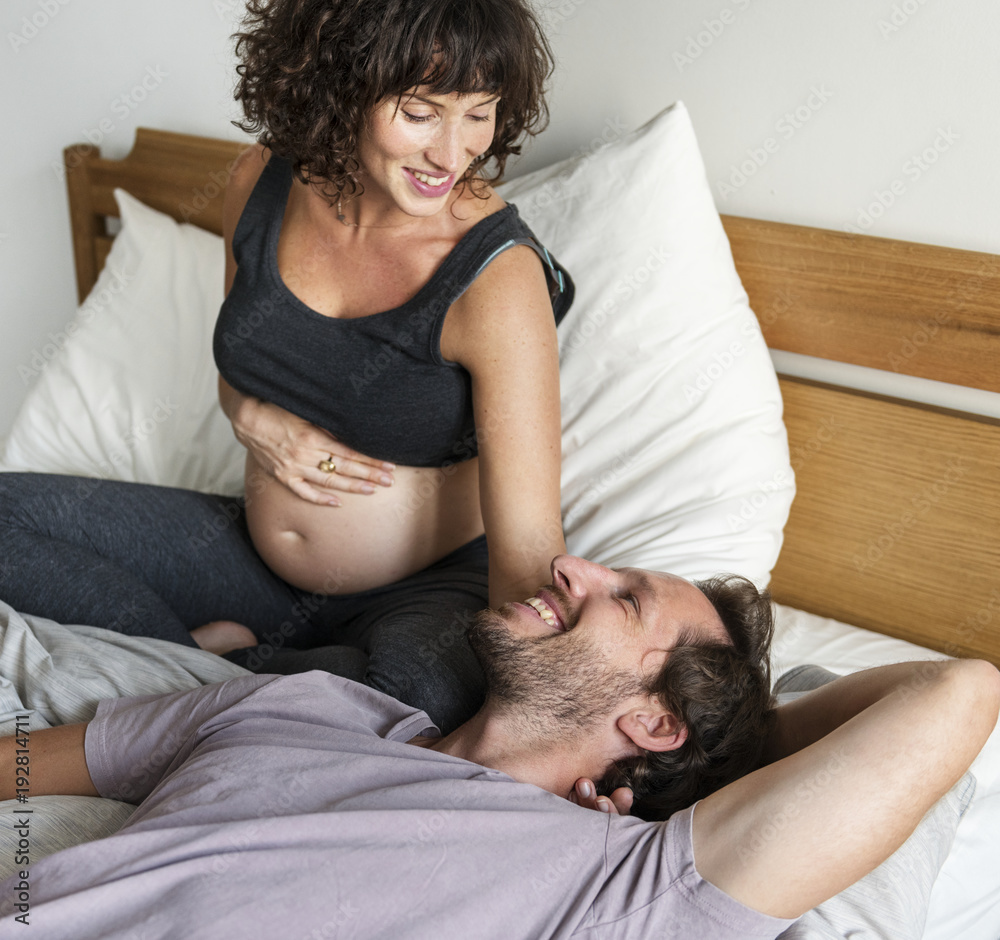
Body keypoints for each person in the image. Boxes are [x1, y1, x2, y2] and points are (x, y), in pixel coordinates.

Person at [0, 0, 573, 734]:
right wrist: (251, 417)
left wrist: (534, 723)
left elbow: (529, 554)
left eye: (480, 112)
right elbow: (241, 359)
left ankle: (208, 674)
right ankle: (214, 668)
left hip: (428, 594)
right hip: (251, 565)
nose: (451, 153)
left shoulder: (495, 277)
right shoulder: (261, 184)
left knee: (413, 703)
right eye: (422, 111)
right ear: (341, 84)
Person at [1, 555, 996, 938]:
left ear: (654, 722)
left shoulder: (619, 887)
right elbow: (17, 768)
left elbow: (959, 690)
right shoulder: (298, 703)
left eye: (624, 599)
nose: (571, 565)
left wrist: (724, 737)